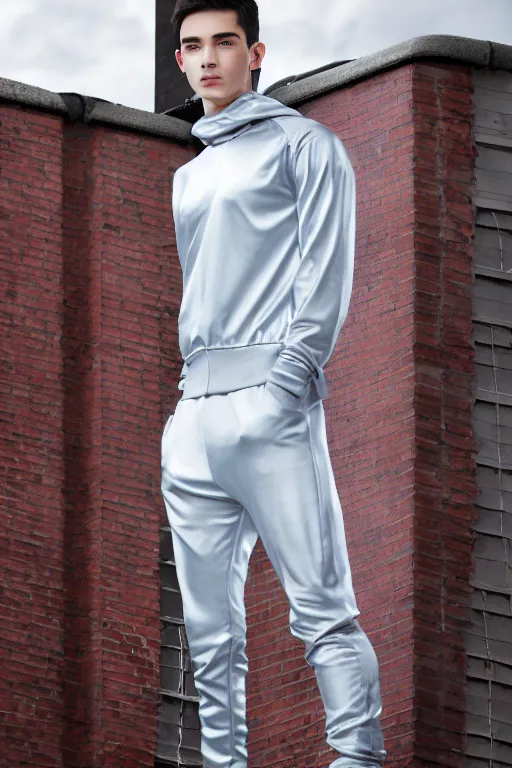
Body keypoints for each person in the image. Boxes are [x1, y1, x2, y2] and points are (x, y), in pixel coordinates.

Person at [160, 1, 387, 766]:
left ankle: (357, 758)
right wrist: (188, 406)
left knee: (322, 610)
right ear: (181, 61)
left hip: (270, 403)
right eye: (193, 46)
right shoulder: (188, 177)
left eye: (224, 42)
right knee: (209, 634)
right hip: (194, 416)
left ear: (255, 53)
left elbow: (327, 268)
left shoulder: (306, 146)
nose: (209, 58)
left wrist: (288, 380)